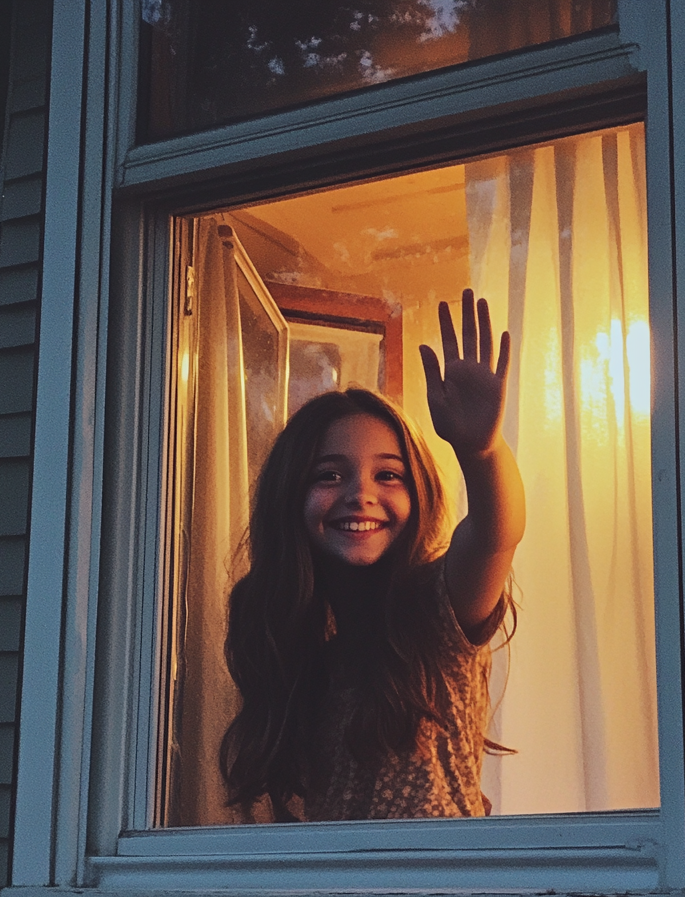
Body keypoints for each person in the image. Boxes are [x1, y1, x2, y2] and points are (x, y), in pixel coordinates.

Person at [221, 289, 526, 821]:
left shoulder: (436, 616)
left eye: (388, 475)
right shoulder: (304, 653)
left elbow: (496, 534)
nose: (360, 493)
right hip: (343, 892)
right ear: (289, 495)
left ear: (420, 493)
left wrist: (483, 453)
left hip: (442, 894)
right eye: (329, 475)